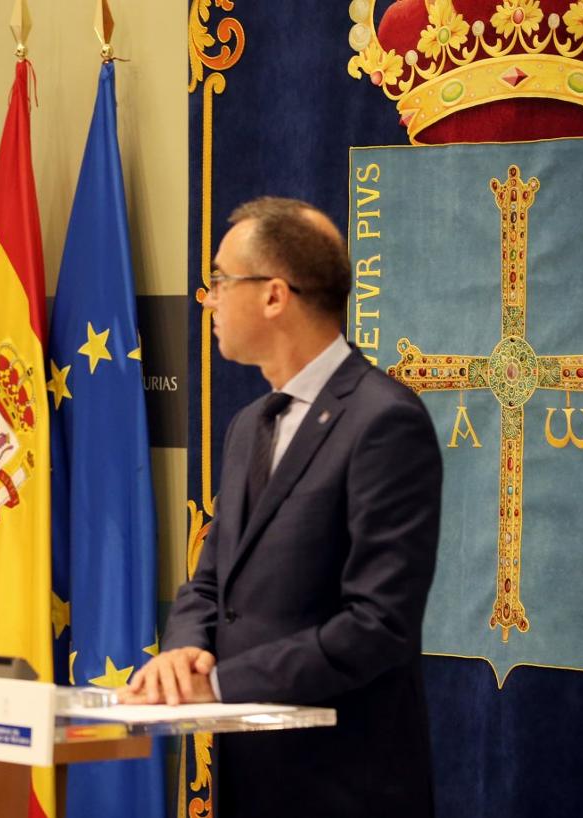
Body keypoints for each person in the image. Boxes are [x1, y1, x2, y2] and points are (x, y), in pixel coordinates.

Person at [126, 197, 440, 818]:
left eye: (219, 280)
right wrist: (181, 653)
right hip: (251, 779)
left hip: (344, 786)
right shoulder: (249, 425)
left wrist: (219, 686)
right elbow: (213, 581)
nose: (208, 298)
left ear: (274, 296)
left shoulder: (384, 422)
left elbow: (377, 624)